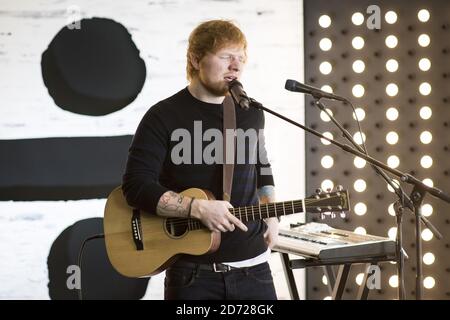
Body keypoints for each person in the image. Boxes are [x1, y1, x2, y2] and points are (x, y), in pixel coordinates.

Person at [122, 19, 279, 300]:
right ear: (195, 59)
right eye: (226, 56)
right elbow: (136, 186)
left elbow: (261, 167)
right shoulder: (163, 116)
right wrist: (197, 209)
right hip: (192, 276)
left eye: (241, 58)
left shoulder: (251, 112)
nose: (236, 66)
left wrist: (272, 213)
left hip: (254, 271)